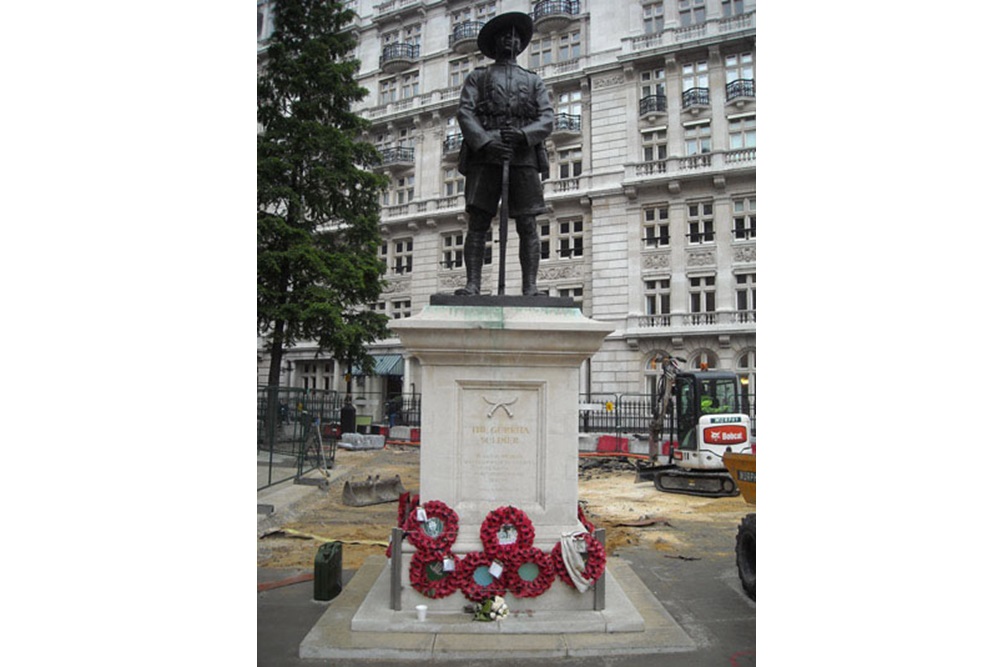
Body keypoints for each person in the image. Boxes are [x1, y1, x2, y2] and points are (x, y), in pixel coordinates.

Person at [455, 12, 554, 297]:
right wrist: (485, 142)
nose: (510, 40)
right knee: (479, 222)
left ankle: (530, 287)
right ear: (495, 42)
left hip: (522, 155)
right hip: (485, 156)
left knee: (527, 222)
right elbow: (465, 112)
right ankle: (473, 284)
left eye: (515, 37)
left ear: (521, 44)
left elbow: (546, 118)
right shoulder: (478, 77)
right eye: (504, 36)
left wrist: (524, 135)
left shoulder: (534, 81)